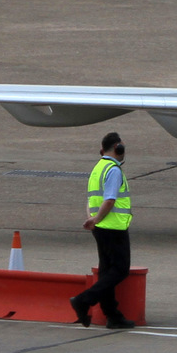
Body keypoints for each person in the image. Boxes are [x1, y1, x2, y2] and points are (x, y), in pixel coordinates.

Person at [71, 132, 135, 329]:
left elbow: (90, 198)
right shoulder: (113, 170)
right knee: (120, 269)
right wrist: (98, 218)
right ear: (118, 148)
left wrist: (92, 220)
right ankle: (84, 300)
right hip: (113, 226)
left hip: (99, 227)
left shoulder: (98, 168)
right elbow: (109, 199)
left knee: (107, 271)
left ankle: (112, 315)